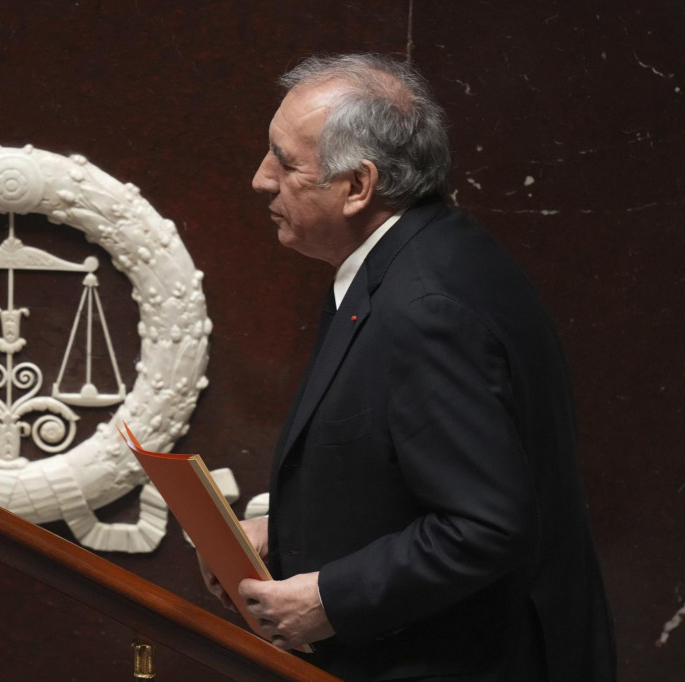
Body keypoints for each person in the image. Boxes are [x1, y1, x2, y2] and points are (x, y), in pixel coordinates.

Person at [199, 53, 616, 681]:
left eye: (285, 162)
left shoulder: (426, 308)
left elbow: (483, 526)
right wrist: (278, 535)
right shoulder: (416, 254)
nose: (261, 180)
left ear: (358, 186)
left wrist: (329, 601)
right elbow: (395, 473)